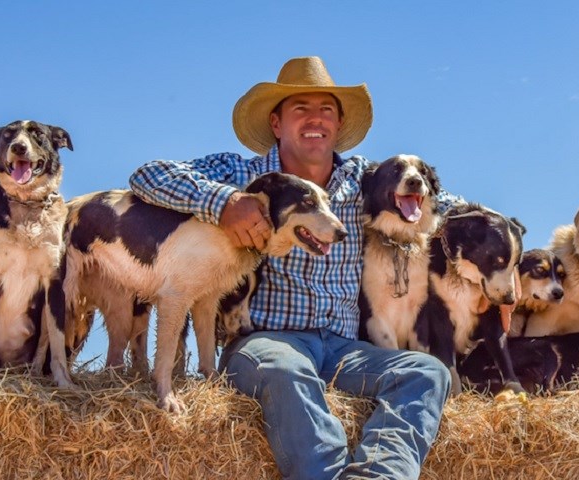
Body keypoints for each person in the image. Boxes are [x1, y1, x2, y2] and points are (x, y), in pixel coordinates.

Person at [130, 56, 458, 480]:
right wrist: (224, 203)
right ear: (276, 123)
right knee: (286, 372)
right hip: (266, 344)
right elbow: (149, 175)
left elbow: (446, 202)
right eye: (300, 109)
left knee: (426, 373)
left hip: (344, 349)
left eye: (326, 110)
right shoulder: (242, 175)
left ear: (338, 126)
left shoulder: (366, 181)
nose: (314, 119)